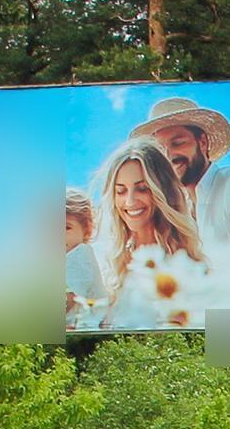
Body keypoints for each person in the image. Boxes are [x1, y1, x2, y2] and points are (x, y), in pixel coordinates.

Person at [130, 95, 230, 252]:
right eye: (160, 150)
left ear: (203, 143)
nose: (169, 156)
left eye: (178, 143)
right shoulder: (176, 214)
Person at [89, 141, 208, 331]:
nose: (129, 201)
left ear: (164, 193)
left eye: (142, 188)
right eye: (120, 191)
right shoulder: (107, 266)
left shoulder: (192, 268)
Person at [62, 187, 103, 332]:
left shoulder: (80, 255)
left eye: (66, 228)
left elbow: (67, 301)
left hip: (84, 330)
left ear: (87, 229)